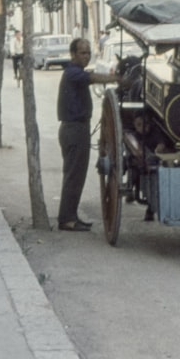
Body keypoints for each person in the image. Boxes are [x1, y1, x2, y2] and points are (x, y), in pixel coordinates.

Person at [57, 38, 119, 231]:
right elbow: (92, 78)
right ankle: (67, 219)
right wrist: (116, 78)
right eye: (83, 53)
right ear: (73, 54)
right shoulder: (72, 73)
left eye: (88, 52)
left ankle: (71, 216)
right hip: (74, 130)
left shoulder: (76, 72)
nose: (87, 56)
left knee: (76, 175)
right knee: (74, 176)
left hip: (77, 129)